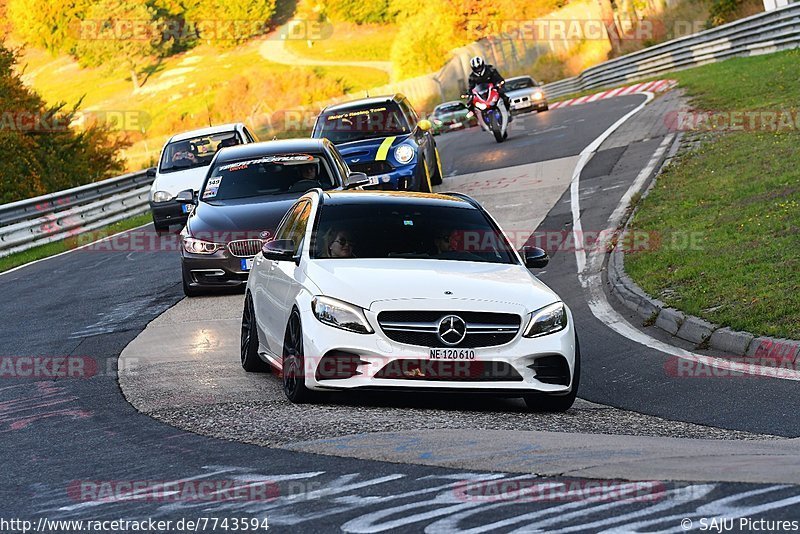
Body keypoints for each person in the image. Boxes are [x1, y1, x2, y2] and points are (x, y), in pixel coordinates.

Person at [466, 56, 512, 123]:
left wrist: (498, 83)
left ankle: (507, 112)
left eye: (479, 67)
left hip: (493, 89)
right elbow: (471, 87)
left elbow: (499, 78)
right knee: (470, 104)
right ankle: (479, 119)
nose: (478, 69)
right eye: (476, 68)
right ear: (473, 68)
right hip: (481, 93)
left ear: (482, 64)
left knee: (504, 97)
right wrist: (469, 93)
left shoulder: (491, 69)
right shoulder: (472, 76)